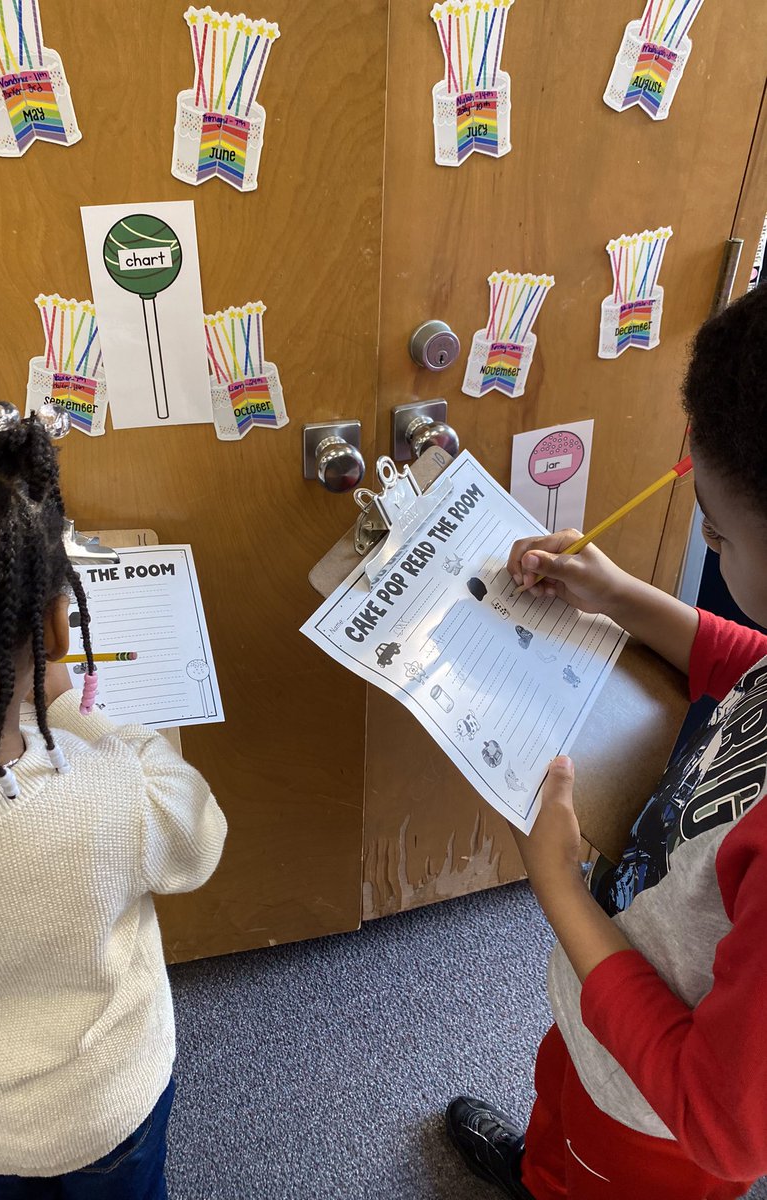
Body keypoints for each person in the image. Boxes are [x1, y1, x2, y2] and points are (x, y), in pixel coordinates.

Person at [446, 283, 767, 1199]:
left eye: (716, 531)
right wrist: (622, 597)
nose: (708, 541)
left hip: (654, 1131)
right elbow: (752, 662)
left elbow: (724, 1127)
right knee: (564, 1103)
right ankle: (542, 1166)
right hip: (615, 1005)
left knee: (590, 1169)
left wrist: (553, 883)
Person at [0, 403, 227, 1199]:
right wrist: (68, 707)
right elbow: (199, 835)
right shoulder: (116, 797)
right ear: (58, 629)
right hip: (102, 1104)